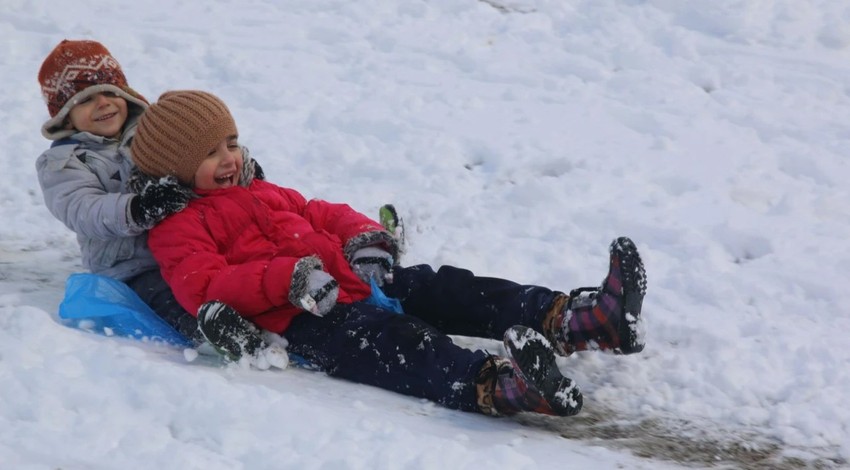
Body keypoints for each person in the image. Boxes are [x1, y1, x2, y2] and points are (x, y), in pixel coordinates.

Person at [130, 90, 648, 418]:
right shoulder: (177, 227)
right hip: (306, 318)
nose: (229, 158)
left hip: (355, 281)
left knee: (448, 286)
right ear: (174, 169)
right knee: (402, 344)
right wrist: (288, 278)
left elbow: (320, 212)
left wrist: (366, 240)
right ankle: (500, 387)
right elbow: (204, 287)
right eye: (210, 153)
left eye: (232, 142)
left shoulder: (262, 189)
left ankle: (580, 320)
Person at [33, 39, 231, 343]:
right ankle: (209, 330)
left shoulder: (154, 134)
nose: (104, 103)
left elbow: (201, 160)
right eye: (85, 100)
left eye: (111, 92)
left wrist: (232, 169)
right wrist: (136, 209)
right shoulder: (63, 163)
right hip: (131, 265)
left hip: (189, 243)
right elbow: (82, 209)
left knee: (226, 271)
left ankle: (259, 309)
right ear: (65, 116)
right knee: (165, 293)